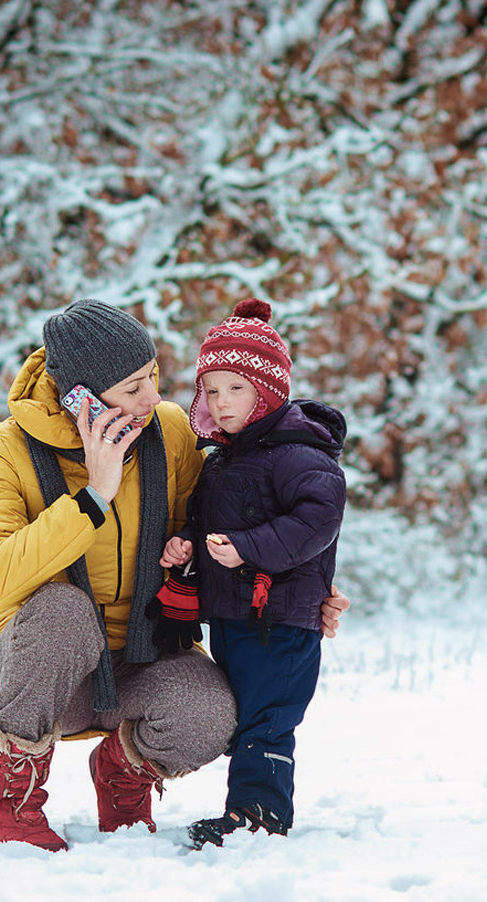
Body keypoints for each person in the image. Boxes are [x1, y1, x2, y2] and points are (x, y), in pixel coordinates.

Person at [0, 299, 347, 851]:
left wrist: (301, 588)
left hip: (142, 655)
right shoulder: (4, 450)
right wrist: (93, 495)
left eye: (153, 377)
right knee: (63, 613)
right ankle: (11, 806)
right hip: (42, 666)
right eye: (131, 388)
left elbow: (228, 527)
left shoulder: (168, 430)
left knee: (212, 711)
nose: (152, 399)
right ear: (81, 398)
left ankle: (122, 776)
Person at [159, 299, 347, 849]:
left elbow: (319, 517)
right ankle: (246, 807)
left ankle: (260, 813)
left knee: (268, 719)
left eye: (235, 389)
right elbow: (211, 521)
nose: (221, 403)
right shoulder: (225, 458)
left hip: (282, 620)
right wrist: (186, 544)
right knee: (244, 717)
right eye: (211, 390)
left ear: (267, 390)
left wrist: (247, 549)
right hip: (239, 619)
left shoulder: (296, 453)